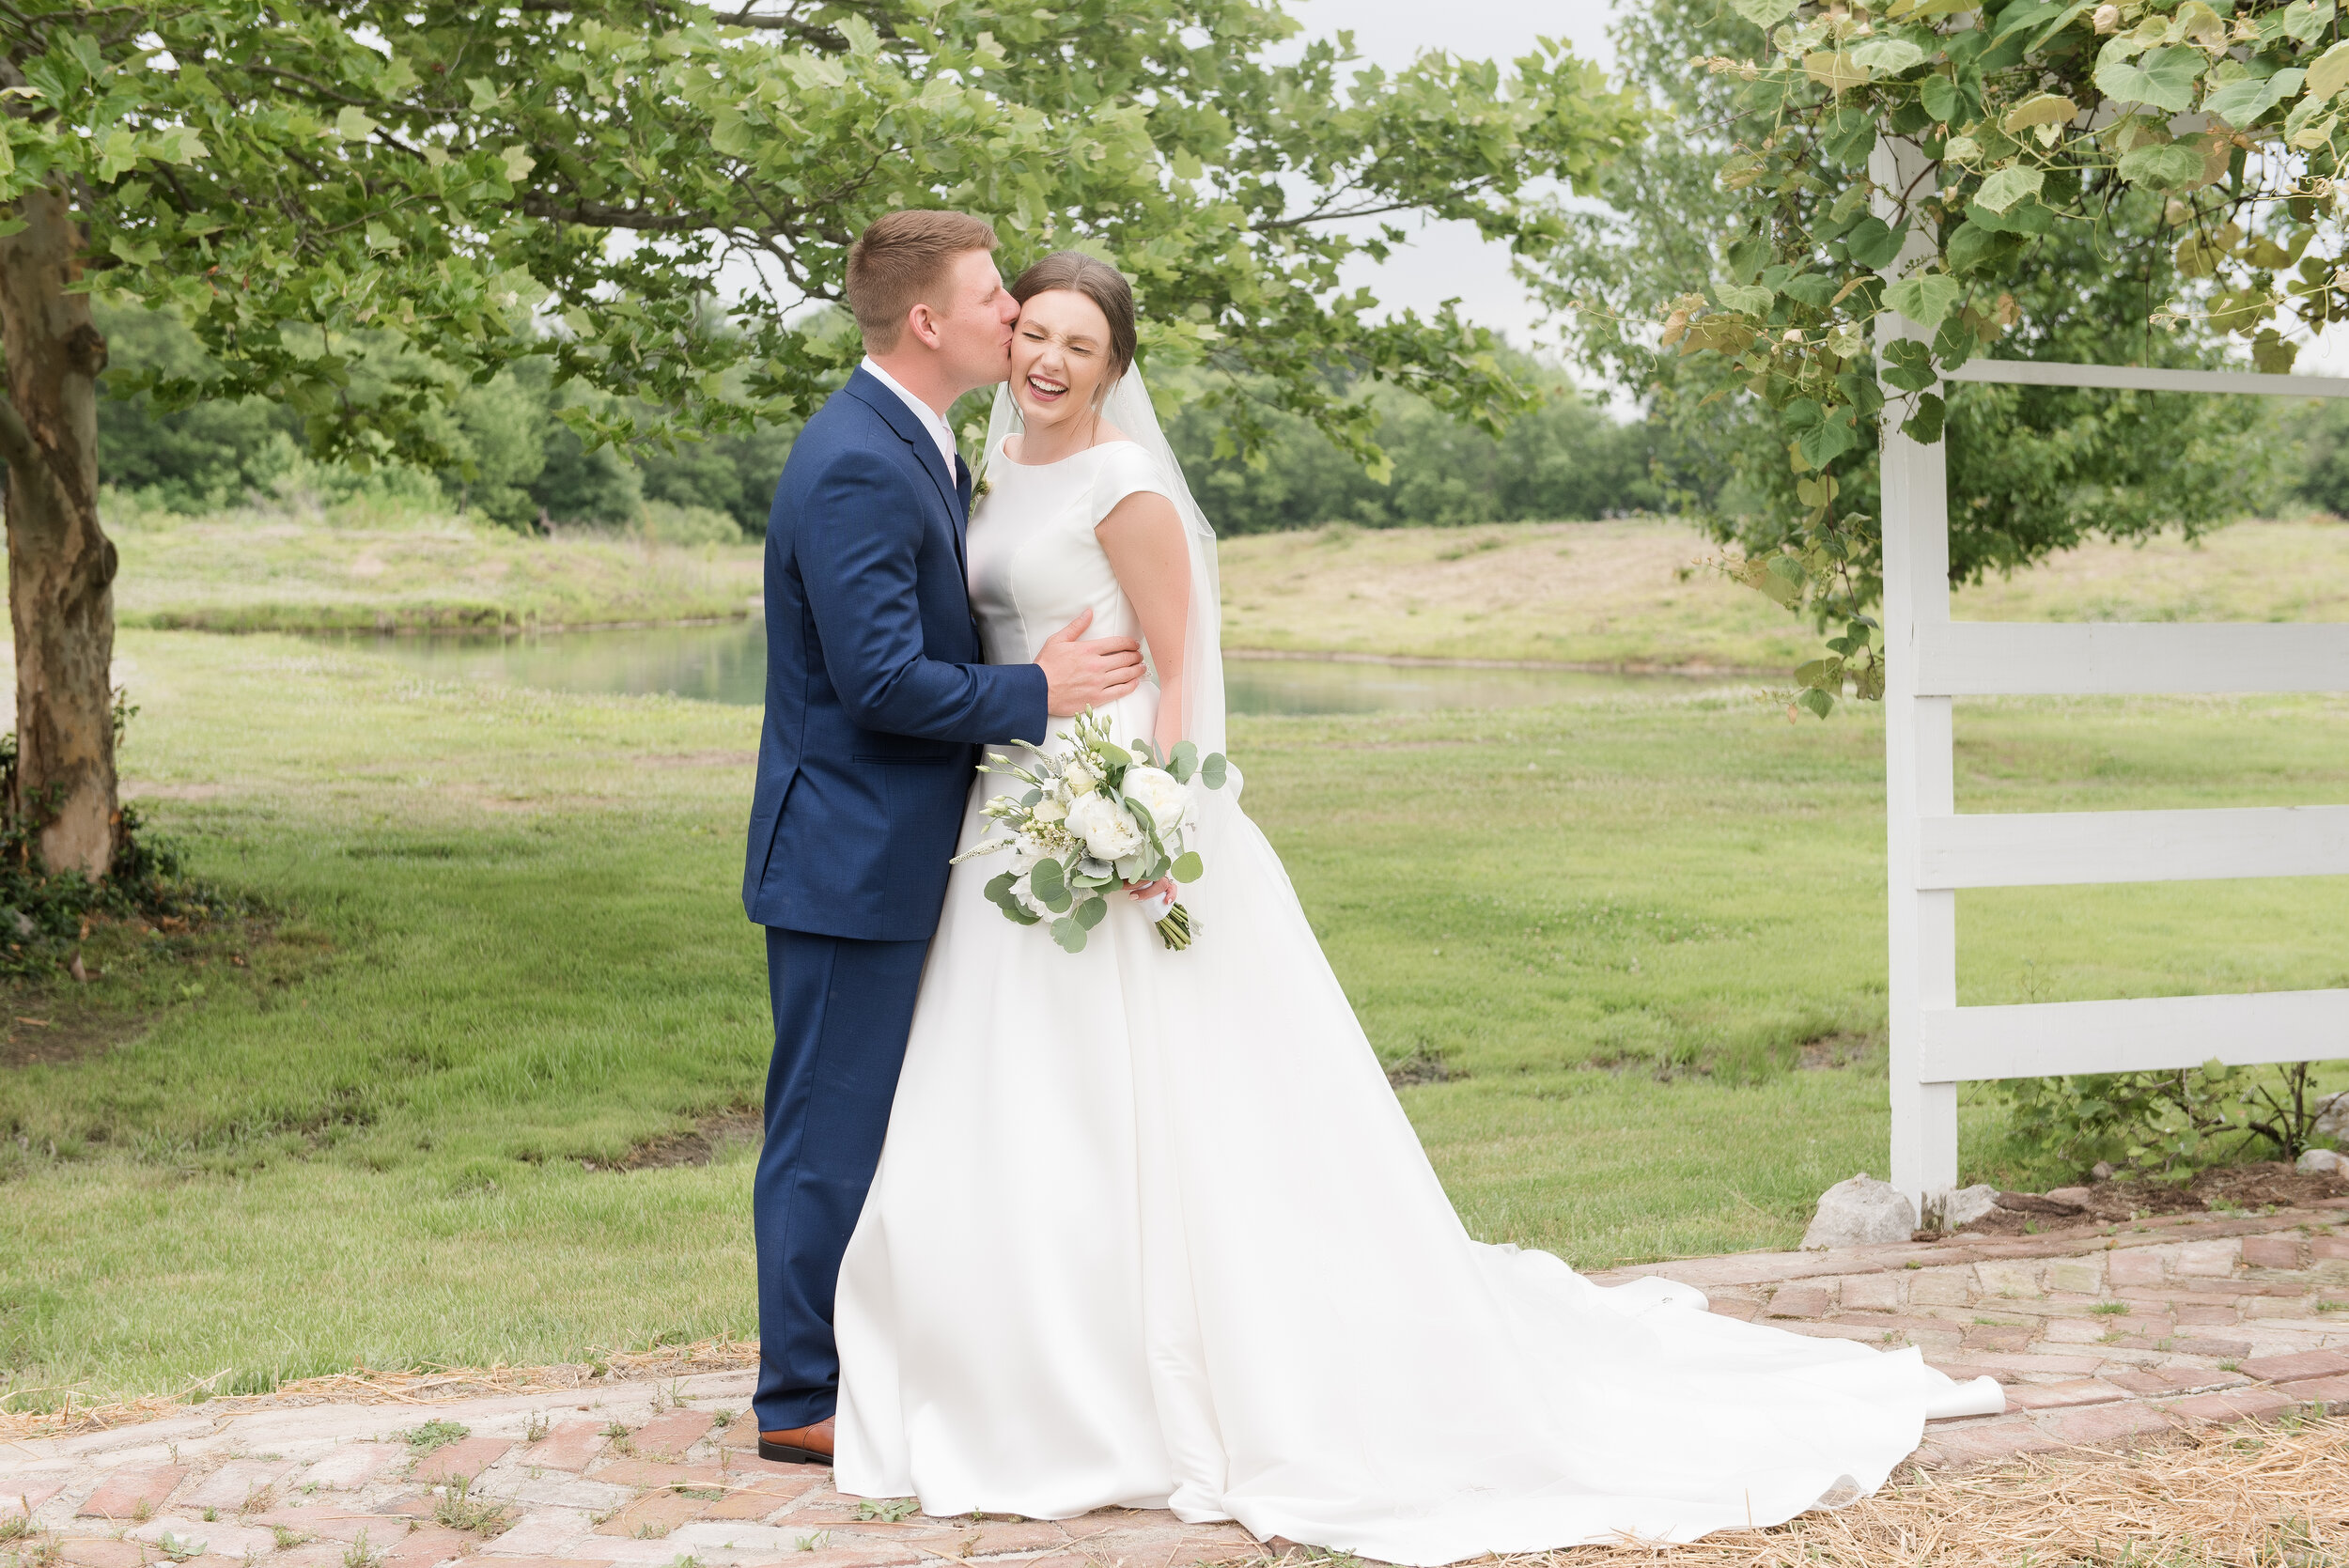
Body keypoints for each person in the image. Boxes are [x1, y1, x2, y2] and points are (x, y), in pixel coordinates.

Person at [823, 248, 2007, 1563]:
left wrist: (1153, 815)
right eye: (1033, 328)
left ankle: (1165, 1387)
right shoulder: (986, 468)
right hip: (1014, 828)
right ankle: (1013, 1375)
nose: (1046, 357)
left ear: (1117, 368)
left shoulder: (1127, 482)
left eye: (1079, 346)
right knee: (1014, 1112)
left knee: (1156, 1116)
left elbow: (1181, 666)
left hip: (1115, 824)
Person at [740, 211, 1147, 1463]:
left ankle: (855, 1355)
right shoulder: (861, 457)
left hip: (898, 841)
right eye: (992, 301)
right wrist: (1041, 693)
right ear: (928, 321)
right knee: (825, 1122)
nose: (1010, 319)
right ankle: (799, 1395)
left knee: (865, 1116)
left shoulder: (912, 440)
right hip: (845, 853)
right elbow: (880, 683)